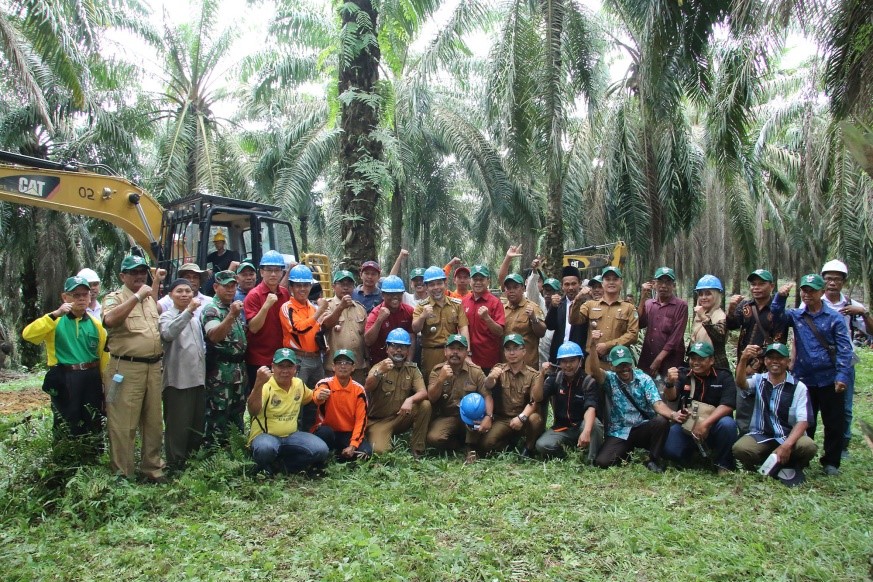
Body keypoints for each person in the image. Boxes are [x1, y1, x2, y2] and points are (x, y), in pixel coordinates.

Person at [771, 275, 853, 476]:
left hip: (829, 378)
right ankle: (804, 457)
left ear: (821, 292)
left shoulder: (834, 318)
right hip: (804, 379)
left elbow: (845, 349)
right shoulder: (797, 316)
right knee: (806, 420)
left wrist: (842, 375)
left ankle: (831, 461)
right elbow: (777, 315)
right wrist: (780, 297)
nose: (807, 294)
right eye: (804, 290)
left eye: (812, 291)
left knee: (834, 421)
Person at [22, 276, 108, 450]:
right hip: (65, 375)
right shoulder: (55, 321)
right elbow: (28, 335)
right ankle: (64, 458)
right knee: (66, 418)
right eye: (76, 295)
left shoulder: (96, 325)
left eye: (85, 294)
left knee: (93, 418)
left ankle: (92, 457)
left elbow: (103, 357)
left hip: (91, 376)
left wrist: (105, 384)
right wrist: (54, 315)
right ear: (65, 297)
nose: (82, 298)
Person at [101, 255, 166, 482]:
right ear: (122, 276)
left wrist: (154, 284)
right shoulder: (114, 298)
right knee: (123, 424)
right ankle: (122, 474)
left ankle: (152, 469)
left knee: (153, 422)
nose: (139, 276)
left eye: (142, 272)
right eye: (133, 272)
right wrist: (137, 296)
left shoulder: (149, 299)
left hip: (153, 367)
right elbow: (110, 320)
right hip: (126, 370)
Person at [732, 343, 818, 486]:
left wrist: (786, 445)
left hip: (788, 436)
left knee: (808, 446)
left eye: (780, 358)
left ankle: (790, 462)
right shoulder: (759, 380)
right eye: (771, 358)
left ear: (788, 362)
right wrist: (743, 359)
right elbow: (741, 384)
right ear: (765, 361)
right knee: (740, 449)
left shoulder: (799, 387)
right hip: (763, 435)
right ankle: (769, 462)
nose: (775, 361)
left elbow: (803, 421)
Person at [590, 345, 674, 472]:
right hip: (620, 431)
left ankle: (653, 460)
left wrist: (674, 415)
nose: (624, 368)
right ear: (612, 366)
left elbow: (658, 404)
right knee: (602, 462)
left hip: (642, 427)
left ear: (631, 363)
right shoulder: (610, 379)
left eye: (626, 364)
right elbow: (594, 370)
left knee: (661, 422)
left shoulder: (644, 379)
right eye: (619, 365)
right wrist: (592, 346)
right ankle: (626, 451)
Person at [247, 349, 330, 476]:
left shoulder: (298, 384)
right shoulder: (265, 385)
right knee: (265, 449)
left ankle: (283, 466)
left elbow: (311, 397)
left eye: (289, 366)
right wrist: (258, 383)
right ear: (273, 367)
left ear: (295, 368)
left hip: (291, 435)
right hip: (266, 436)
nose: (285, 371)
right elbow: (253, 411)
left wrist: (320, 395)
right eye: (281, 366)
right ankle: (263, 467)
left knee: (321, 450)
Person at [726, 268, 788, 434]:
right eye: (753, 284)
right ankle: (745, 444)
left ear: (772, 286)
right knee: (744, 409)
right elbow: (731, 325)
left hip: (769, 369)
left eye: (761, 284)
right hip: (744, 366)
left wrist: (756, 363)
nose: (756, 287)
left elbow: (778, 339)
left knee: (767, 408)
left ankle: (768, 440)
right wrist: (732, 307)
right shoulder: (745, 307)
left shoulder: (777, 309)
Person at [820, 259, 872, 457]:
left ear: (843, 282)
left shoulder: (852, 305)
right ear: (823, 281)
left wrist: (864, 313)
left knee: (846, 406)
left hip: (846, 360)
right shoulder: (814, 301)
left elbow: (870, 331)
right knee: (817, 402)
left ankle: (843, 444)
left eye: (837, 279)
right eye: (828, 279)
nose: (832, 283)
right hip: (820, 360)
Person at [663, 341, 738, 473]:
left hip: (714, 426)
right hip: (688, 426)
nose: (696, 362)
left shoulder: (724, 376)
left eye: (701, 359)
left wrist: (705, 424)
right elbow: (671, 397)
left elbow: (728, 405)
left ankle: (723, 464)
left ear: (711, 360)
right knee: (670, 450)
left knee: (728, 424)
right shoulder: (683, 374)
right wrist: (669, 383)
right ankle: (691, 456)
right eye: (693, 358)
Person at [466, 335, 544, 457]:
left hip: (523, 417)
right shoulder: (499, 369)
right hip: (503, 418)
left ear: (524, 351)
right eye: (508, 349)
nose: (512, 353)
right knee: (486, 445)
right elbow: (488, 386)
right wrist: (491, 377)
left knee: (535, 419)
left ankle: (529, 448)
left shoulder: (533, 374)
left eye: (515, 348)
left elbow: (534, 401)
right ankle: (509, 443)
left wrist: (521, 417)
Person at [159, 278, 206, 469]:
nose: (185, 294)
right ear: (170, 295)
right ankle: (175, 464)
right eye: (179, 291)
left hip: (197, 380)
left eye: (188, 291)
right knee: (177, 426)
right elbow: (168, 334)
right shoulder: (167, 316)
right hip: (177, 381)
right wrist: (187, 312)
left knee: (196, 425)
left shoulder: (194, 318)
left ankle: (191, 461)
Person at [365, 329, 432, 457]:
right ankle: (377, 436)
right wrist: (380, 372)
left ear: (408, 350)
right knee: (381, 452)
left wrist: (410, 400)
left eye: (403, 347)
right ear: (387, 348)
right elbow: (367, 387)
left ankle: (418, 448)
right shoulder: (379, 367)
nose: (398, 350)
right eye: (394, 346)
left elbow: (423, 392)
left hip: (400, 417)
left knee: (425, 405)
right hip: (379, 421)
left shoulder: (412, 369)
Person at [532, 341, 602, 461]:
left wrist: (586, 431)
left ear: (580, 361)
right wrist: (542, 375)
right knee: (542, 445)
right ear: (559, 362)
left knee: (594, 425)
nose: (568, 365)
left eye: (572, 361)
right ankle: (567, 454)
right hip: (562, 427)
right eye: (564, 361)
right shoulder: (555, 379)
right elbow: (538, 397)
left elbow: (590, 408)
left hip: (582, 424)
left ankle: (591, 459)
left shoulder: (588, 381)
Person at [201, 271, 247, 446]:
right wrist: (231, 316)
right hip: (220, 371)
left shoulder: (233, 307)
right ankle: (214, 453)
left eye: (233, 286)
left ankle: (235, 449)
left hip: (238, 370)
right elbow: (213, 336)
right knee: (217, 413)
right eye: (226, 286)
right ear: (215, 287)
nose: (230, 290)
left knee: (237, 413)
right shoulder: (212, 309)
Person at [426, 334, 489, 459]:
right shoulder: (437, 370)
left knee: (478, 420)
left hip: (471, 418)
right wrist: (441, 379)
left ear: (466, 352)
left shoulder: (475, 371)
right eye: (452, 348)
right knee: (434, 438)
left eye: (460, 349)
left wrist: (488, 416)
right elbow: (432, 398)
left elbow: (487, 396)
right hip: (448, 416)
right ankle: (457, 444)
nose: (455, 352)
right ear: (445, 351)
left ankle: (471, 447)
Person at [570, 266, 639, 376]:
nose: (611, 282)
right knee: (592, 391)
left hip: (618, 364)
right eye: (607, 279)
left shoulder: (629, 307)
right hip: (593, 362)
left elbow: (633, 335)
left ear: (621, 282)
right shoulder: (590, 305)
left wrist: (607, 345)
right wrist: (578, 298)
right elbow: (574, 320)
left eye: (615, 279)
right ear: (603, 283)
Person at [244, 250, 290, 396]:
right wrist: (266, 305)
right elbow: (254, 327)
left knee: (280, 400)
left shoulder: (285, 293)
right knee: (260, 400)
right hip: (259, 359)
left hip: (281, 358)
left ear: (282, 273)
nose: (273, 274)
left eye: (277, 270)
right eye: (269, 270)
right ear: (261, 272)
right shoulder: (254, 295)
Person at [312, 350, 373, 461]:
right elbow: (317, 396)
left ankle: (340, 455)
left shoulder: (359, 390)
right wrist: (319, 396)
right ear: (333, 367)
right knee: (325, 433)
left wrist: (353, 445)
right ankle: (328, 456)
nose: (343, 366)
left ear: (353, 367)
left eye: (347, 363)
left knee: (365, 453)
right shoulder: (325, 383)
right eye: (339, 362)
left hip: (347, 433)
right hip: (327, 431)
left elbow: (361, 421)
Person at [413, 266, 469, 376]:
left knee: (455, 383)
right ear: (426, 287)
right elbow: (415, 328)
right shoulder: (421, 307)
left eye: (439, 283)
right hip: (431, 354)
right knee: (433, 385)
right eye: (432, 284)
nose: (436, 287)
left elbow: (463, 328)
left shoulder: (456, 305)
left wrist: (467, 352)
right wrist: (423, 316)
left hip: (453, 353)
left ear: (445, 284)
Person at [637, 267, 688, 379]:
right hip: (648, 359)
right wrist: (642, 299)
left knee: (668, 392)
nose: (663, 286)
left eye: (668, 282)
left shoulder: (681, 306)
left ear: (673, 286)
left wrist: (658, 360)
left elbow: (675, 338)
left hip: (670, 362)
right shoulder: (649, 304)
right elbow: (639, 324)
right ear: (654, 284)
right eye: (660, 282)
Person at [321, 270, 369, 384]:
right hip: (335, 366)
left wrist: (367, 361)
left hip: (357, 366)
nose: (346, 287)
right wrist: (340, 307)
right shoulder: (327, 305)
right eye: (342, 284)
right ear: (333, 286)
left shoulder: (360, 308)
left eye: (349, 284)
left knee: (357, 397)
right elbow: (325, 324)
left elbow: (364, 336)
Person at [461, 265, 505, 372]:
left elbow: (500, 331)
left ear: (488, 281)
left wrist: (487, 318)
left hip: (488, 360)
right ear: (470, 281)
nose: (478, 282)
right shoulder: (464, 301)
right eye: (475, 279)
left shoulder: (495, 302)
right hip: (467, 359)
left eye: (482, 279)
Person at [364, 275, 415, 365]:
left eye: (398, 294)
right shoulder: (376, 313)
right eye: (390, 294)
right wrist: (379, 320)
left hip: (402, 361)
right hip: (380, 361)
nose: (395, 297)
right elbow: (368, 341)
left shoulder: (409, 311)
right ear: (383, 295)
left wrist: (408, 361)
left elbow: (412, 337)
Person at [501, 274, 546, 369]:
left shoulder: (533, 308)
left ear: (523, 288)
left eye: (515, 287)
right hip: (506, 366)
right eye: (508, 288)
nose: (512, 291)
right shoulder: (502, 309)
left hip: (527, 367)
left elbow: (542, 333)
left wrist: (534, 319)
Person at [545, 265, 587, 364]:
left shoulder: (586, 304)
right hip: (559, 356)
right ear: (562, 286)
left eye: (573, 284)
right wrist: (553, 308)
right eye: (567, 284)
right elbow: (550, 326)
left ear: (580, 284)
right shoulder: (559, 304)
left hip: (579, 357)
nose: (570, 288)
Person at [688, 275, 729, 370]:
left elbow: (719, 337)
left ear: (716, 295)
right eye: (701, 294)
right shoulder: (700, 314)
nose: (703, 297)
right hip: (697, 365)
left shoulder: (720, 316)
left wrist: (704, 318)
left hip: (715, 367)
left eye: (708, 294)